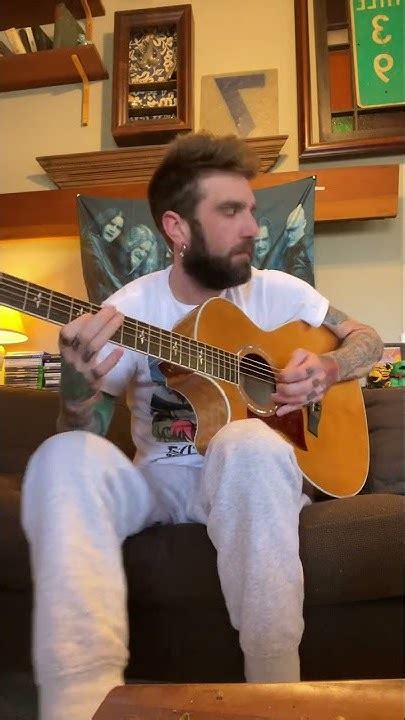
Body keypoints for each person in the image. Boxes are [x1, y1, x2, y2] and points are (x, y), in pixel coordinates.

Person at [22, 132, 383, 720]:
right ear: (177, 227)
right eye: (231, 211)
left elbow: (366, 340)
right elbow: (81, 431)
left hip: (249, 474)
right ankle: (79, 705)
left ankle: (275, 697)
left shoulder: (281, 293)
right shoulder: (128, 309)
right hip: (159, 482)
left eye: (251, 210)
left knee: (247, 442)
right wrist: (77, 388)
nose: (253, 228)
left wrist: (329, 368)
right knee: (59, 457)